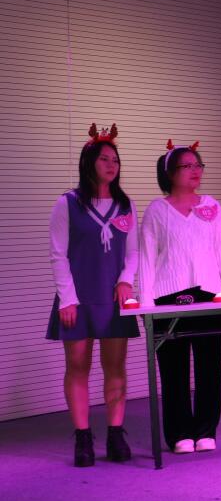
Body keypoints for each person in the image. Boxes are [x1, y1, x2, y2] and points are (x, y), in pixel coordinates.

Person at [46, 123, 139, 467]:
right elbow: (58, 254)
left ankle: (115, 433)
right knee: (77, 367)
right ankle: (83, 437)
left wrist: (126, 281)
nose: (111, 165)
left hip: (113, 300)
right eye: (104, 159)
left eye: (115, 159)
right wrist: (67, 299)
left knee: (115, 367)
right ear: (88, 162)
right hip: (78, 299)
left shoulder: (126, 204)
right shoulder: (67, 203)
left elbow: (133, 253)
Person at [139, 141, 221, 454]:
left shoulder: (212, 206)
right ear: (169, 172)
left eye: (198, 165)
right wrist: (146, 303)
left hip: (209, 294)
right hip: (167, 297)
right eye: (187, 166)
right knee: (173, 370)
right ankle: (179, 433)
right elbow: (146, 258)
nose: (195, 171)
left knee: (210, 367)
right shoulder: (157, 210)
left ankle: (206, 429)